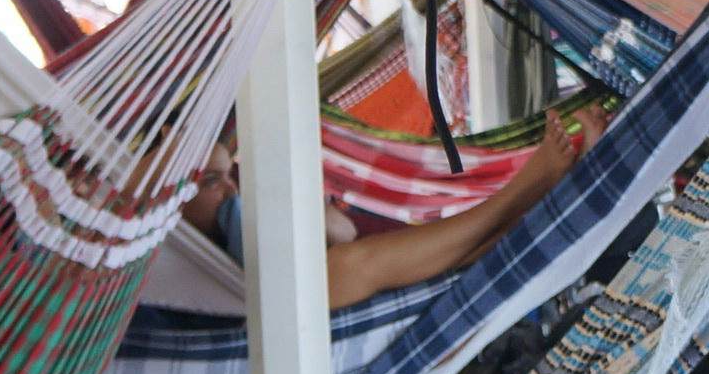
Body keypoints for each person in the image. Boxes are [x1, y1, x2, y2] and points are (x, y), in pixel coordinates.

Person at [183, 102, 603, 311]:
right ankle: (528, 189)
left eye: (229, 176)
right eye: (211, 183)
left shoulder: (241, 227)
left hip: (367, 297)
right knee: (349, 266)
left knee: (461, 262)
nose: (231, 192)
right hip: (287, 328)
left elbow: (341, 229)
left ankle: (563, 192)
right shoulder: (187, 265)